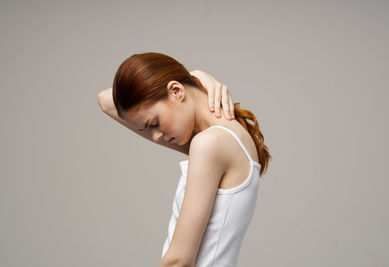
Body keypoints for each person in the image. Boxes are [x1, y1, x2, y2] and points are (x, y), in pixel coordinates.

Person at [98, 52, 271, 267]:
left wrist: (190, 79)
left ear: (176, 91)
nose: (156, 136)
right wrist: (195, 76)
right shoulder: (223, 137)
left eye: (154, 123)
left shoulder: (210, 143)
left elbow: (179, 260)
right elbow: (106, 101)